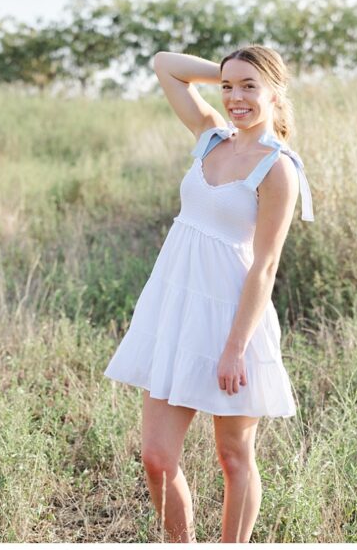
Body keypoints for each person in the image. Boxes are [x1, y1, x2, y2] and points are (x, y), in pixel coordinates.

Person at [103, 44, 314, 543]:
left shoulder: (278, 169)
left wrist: (235, 348)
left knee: (233, 455)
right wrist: (223, 71)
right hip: (177, 312)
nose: (236, 97)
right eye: (228, 86)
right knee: (156, 458)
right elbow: (164, 65)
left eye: (249, 86)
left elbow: (264, 266)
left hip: (232, 320)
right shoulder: (209, 137)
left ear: (275, 92)